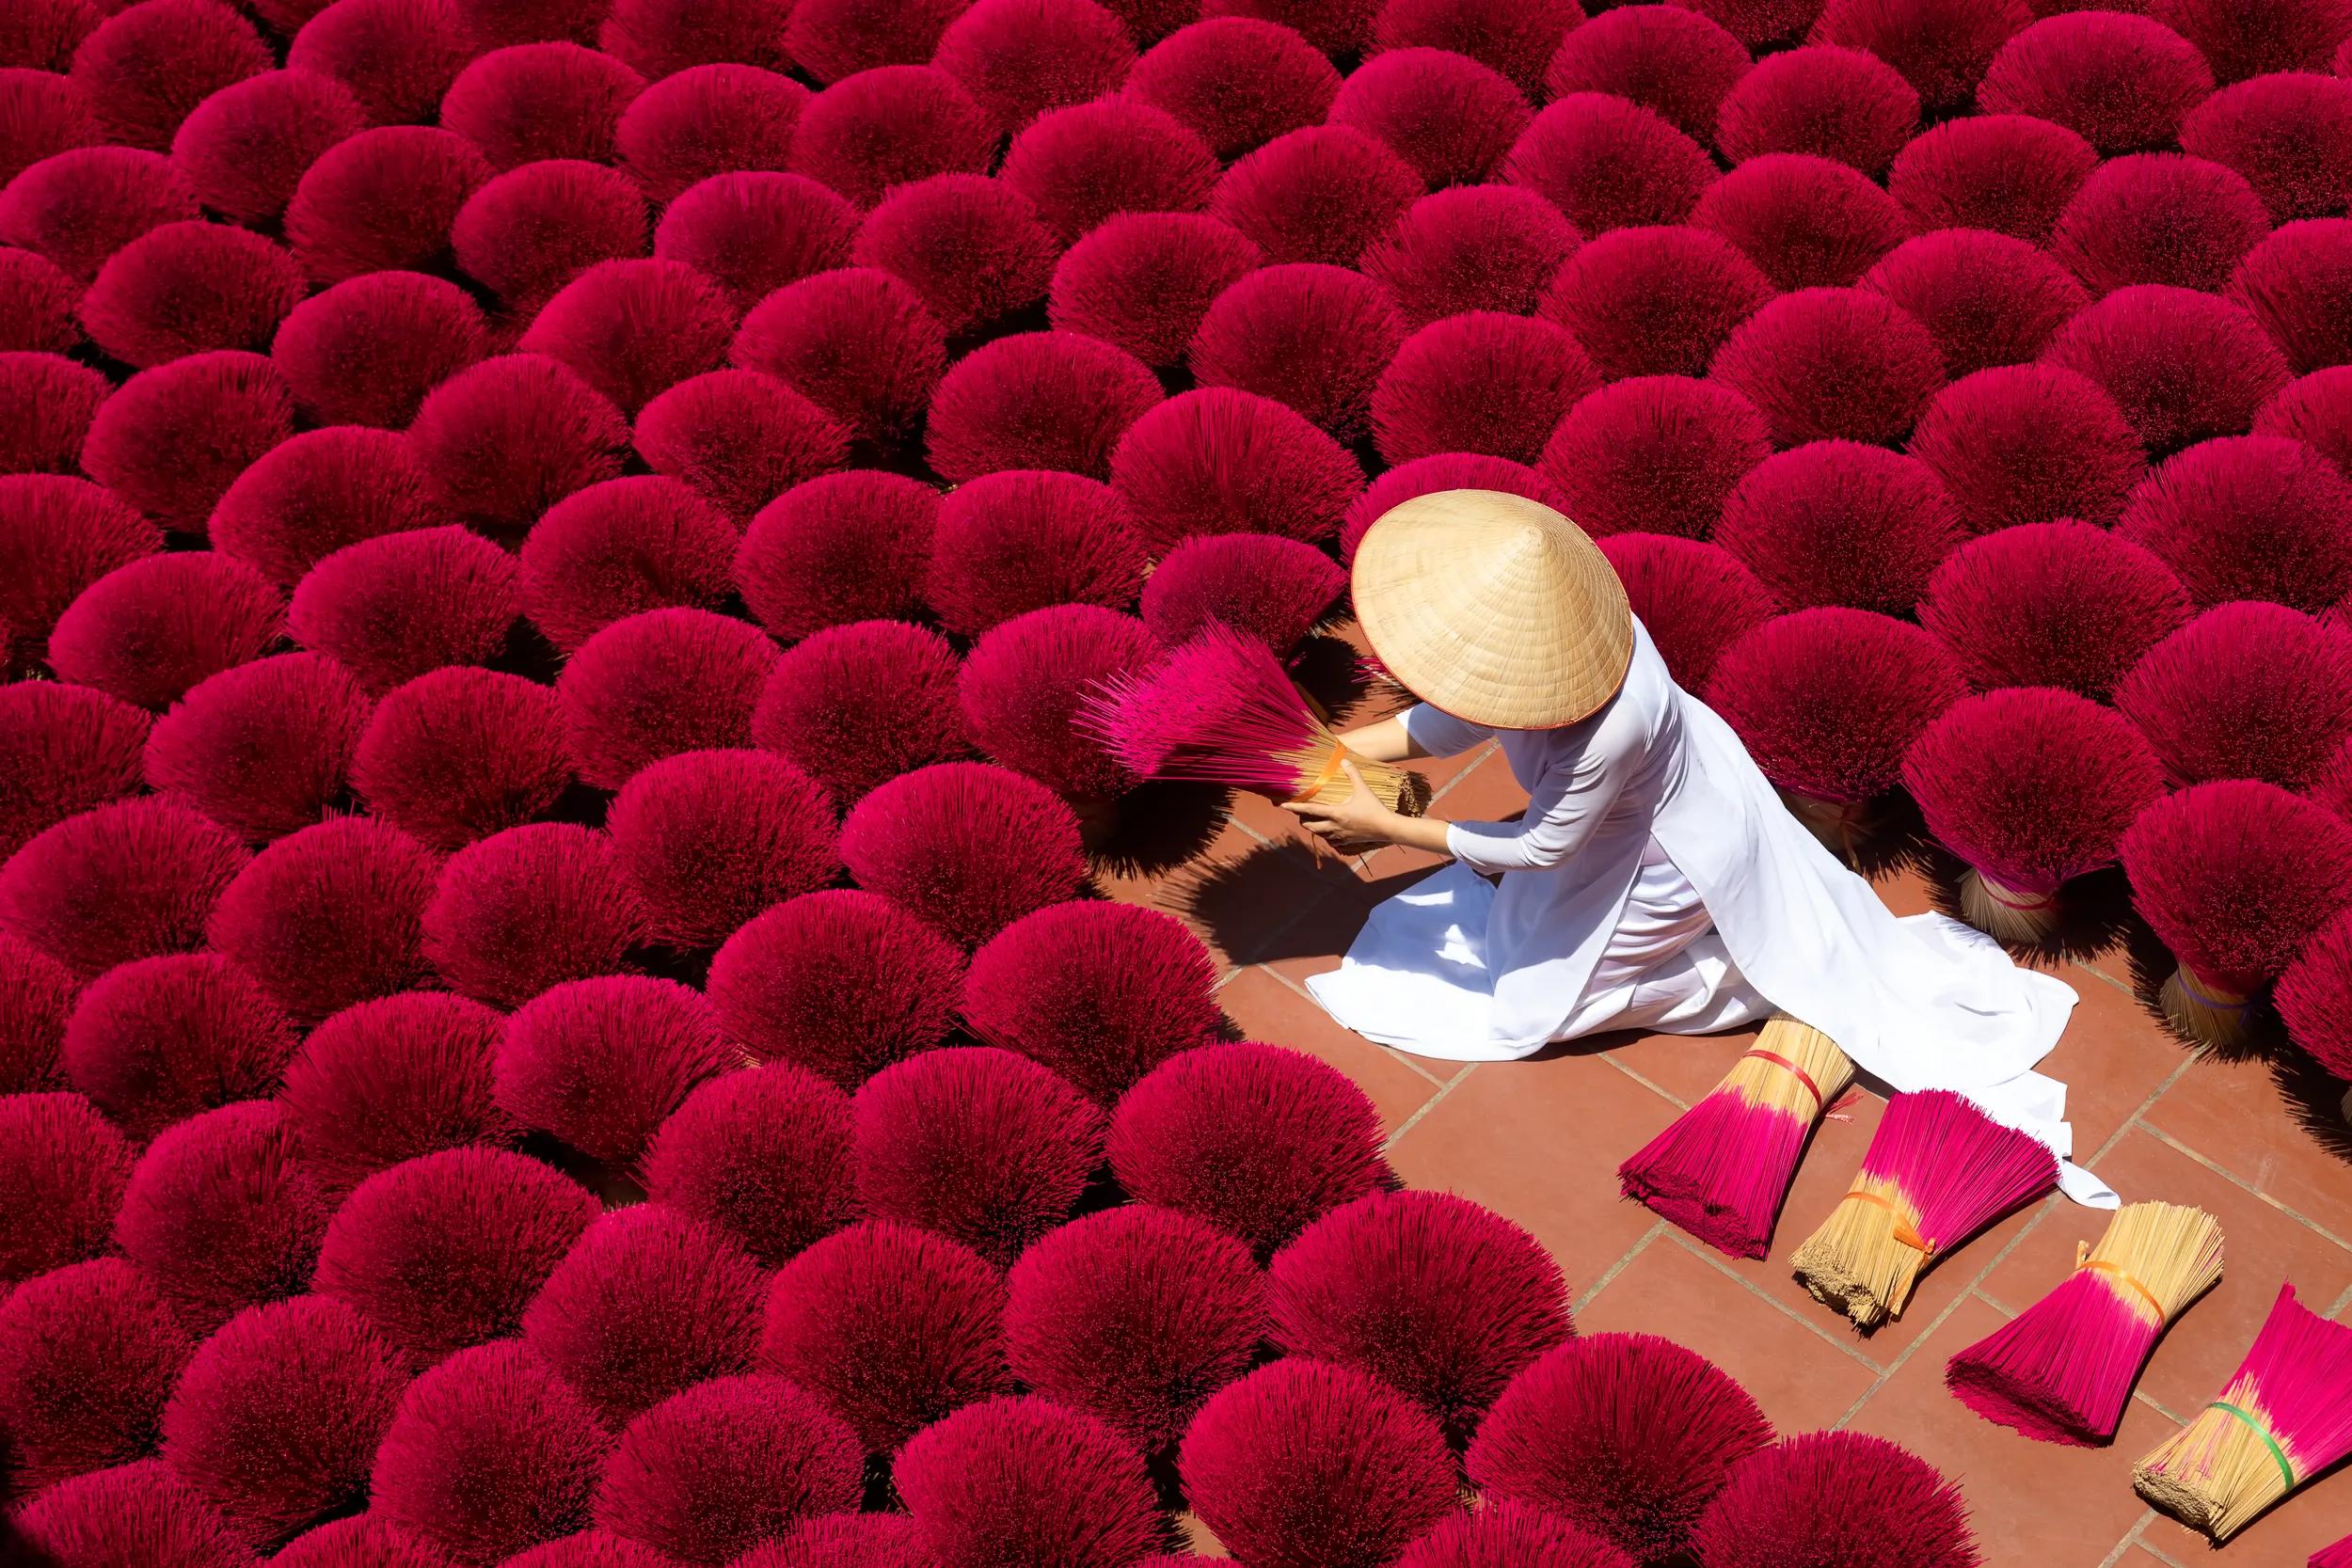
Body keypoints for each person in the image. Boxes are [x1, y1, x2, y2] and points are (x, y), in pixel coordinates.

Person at [1288, 489, 2114, 1204]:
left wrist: (1386, 827)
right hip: (1621, 825)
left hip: (1665, 854)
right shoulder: (1568, 629)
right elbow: (1466, 708)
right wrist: (1349, 754)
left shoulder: (1611, 725)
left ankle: (1747, 973)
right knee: (1516, 941)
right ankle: (1749, 946)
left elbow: (1542, 847)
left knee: (1534, 1011)